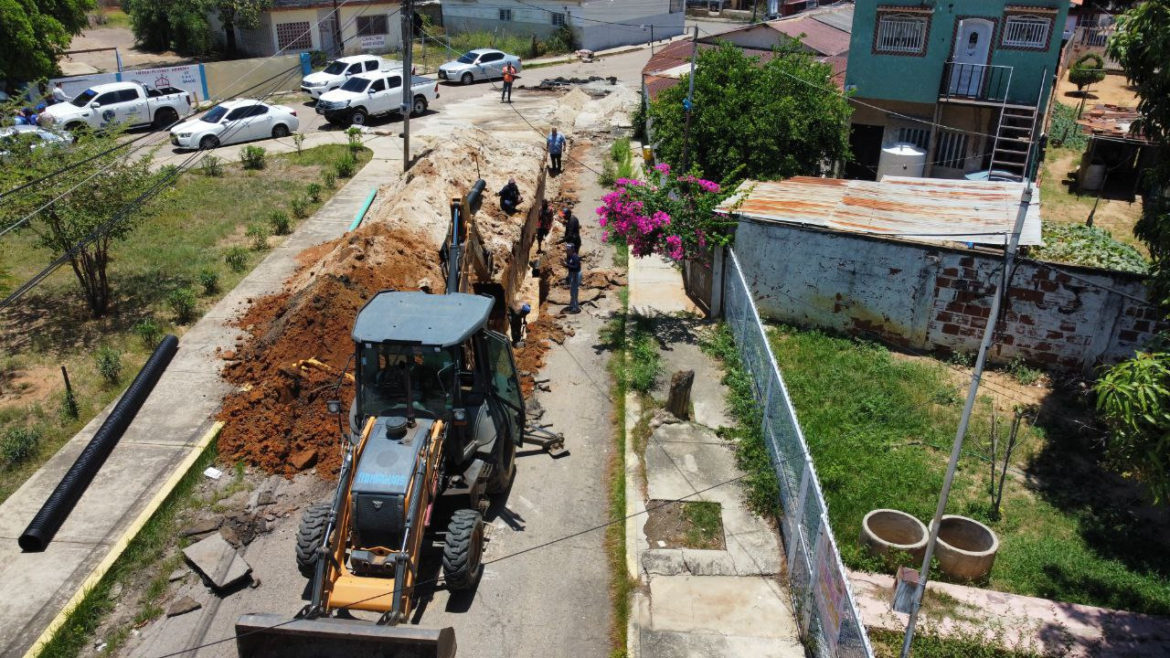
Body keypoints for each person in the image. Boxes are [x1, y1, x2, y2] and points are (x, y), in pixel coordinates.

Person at [564, 244, 582, 314]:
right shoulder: (569, 256)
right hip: (572, 274)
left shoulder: (575, 257)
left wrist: (566, 265)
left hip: (576, 274)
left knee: (574, 291)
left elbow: (576, 267)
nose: (567, 250)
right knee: (572, 291)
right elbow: (570, 267)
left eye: (568, 249)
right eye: (567, 249)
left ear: (572, 250)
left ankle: (576, 308)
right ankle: (572, 305)